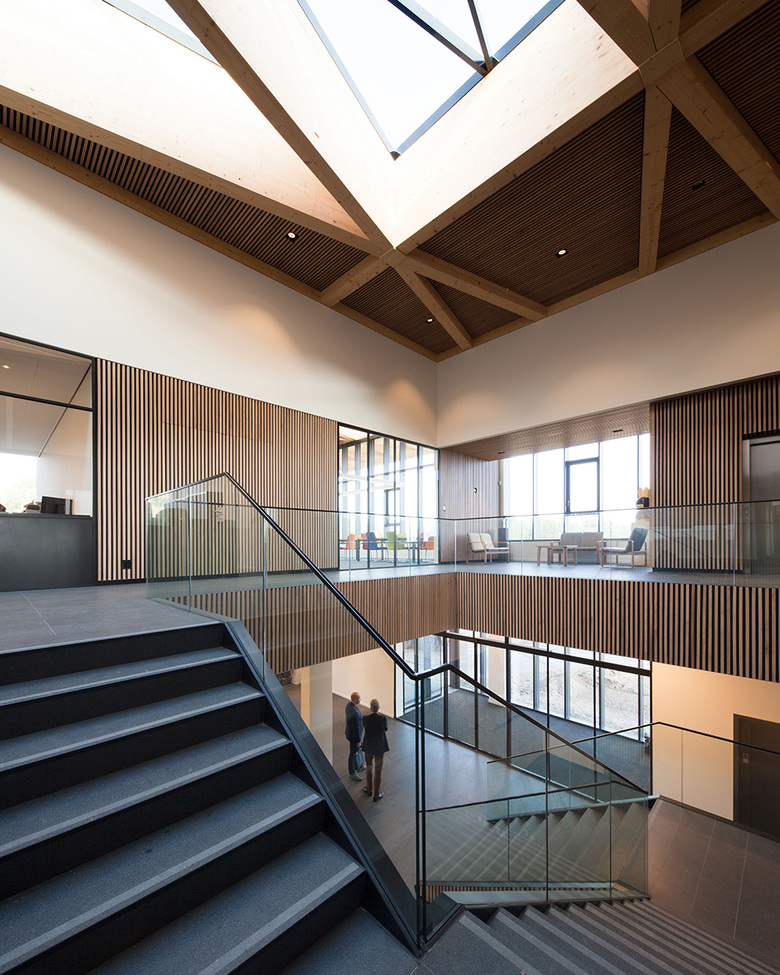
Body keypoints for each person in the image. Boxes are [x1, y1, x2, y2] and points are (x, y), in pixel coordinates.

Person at [361, 698, 389, 802]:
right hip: (379, 746)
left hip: (368, 746)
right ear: (378, 708)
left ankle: (369, 789)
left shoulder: (365, 718)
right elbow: (385, 729)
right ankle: (376, 794)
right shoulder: (383, 719)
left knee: (369, 767)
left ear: (370, 708)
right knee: (378, 769)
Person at [344, 691, 363, 781]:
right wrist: (358, 740)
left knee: (355, 751)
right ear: (355, 699)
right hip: (354, 737)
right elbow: (356, 728)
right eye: (359, 698)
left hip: (349, 733)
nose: (360, 699)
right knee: (353, 753)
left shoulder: (349, 705)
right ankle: (352, 772)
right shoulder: (355, 713)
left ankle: (359, 765)